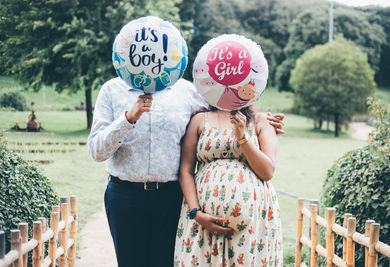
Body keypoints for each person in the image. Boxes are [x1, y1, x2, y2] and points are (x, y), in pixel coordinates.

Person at [87, 75, 284, 266]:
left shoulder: (187, 92)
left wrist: (262, 119)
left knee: (167, 263)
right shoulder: (112, 90)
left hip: (170, 198)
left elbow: (223, 107)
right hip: (125, 196)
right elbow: (96, 151)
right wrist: (128, 119)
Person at [174, 106, 283, 266]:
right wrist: (195, 212)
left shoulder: (260, 120)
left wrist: (242, 138)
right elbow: (185, 171)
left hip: (253, 224)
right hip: (202, 223)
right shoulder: (199, 120)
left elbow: (267, 172)